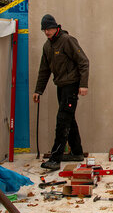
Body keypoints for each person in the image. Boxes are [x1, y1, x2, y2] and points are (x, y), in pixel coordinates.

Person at [33, 14, 89, 170]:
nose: (46, 32)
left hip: (71, 86)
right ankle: (77, 152)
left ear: (56, 27)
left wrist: (83, 84)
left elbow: (83, 62)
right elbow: (44, 70)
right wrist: (38, 90)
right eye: (44, 30)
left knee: (62, 121)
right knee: (69, 119)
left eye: (48, 29)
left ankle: (55, 159)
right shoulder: (47, 46)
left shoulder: (67, 40)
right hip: (61, 86)